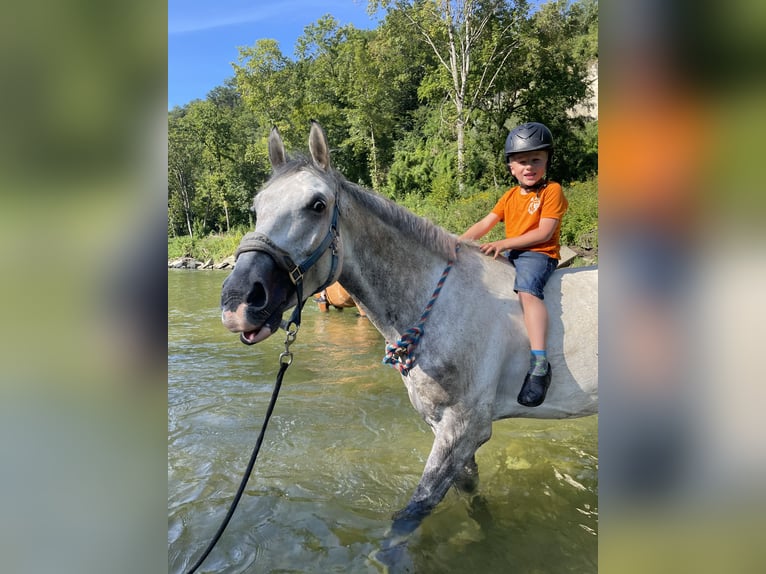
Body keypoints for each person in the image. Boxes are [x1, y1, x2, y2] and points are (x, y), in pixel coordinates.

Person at [460, 122, 568, 407]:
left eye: (536, 160)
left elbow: (544, 232)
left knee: (527, 292)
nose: (529, 167)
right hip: (515, 254)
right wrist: (457, 242)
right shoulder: (509, 196)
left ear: (546, 162)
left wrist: (504, 244)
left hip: (538, 253)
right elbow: (487, 223)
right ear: (511, 167)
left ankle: (540, 364)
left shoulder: (552, 191)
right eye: (522, 162)